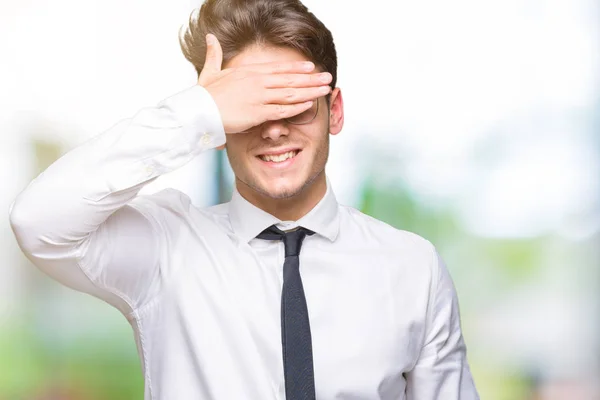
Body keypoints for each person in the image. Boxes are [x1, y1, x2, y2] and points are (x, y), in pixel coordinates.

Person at [8, 0, 480, 399]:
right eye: (250, 106)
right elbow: (38, 221)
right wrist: (196, 113)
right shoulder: (165, 250)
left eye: (291, 101)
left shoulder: (413, 267)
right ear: (218, 128)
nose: (274, 127)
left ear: (333, 111)